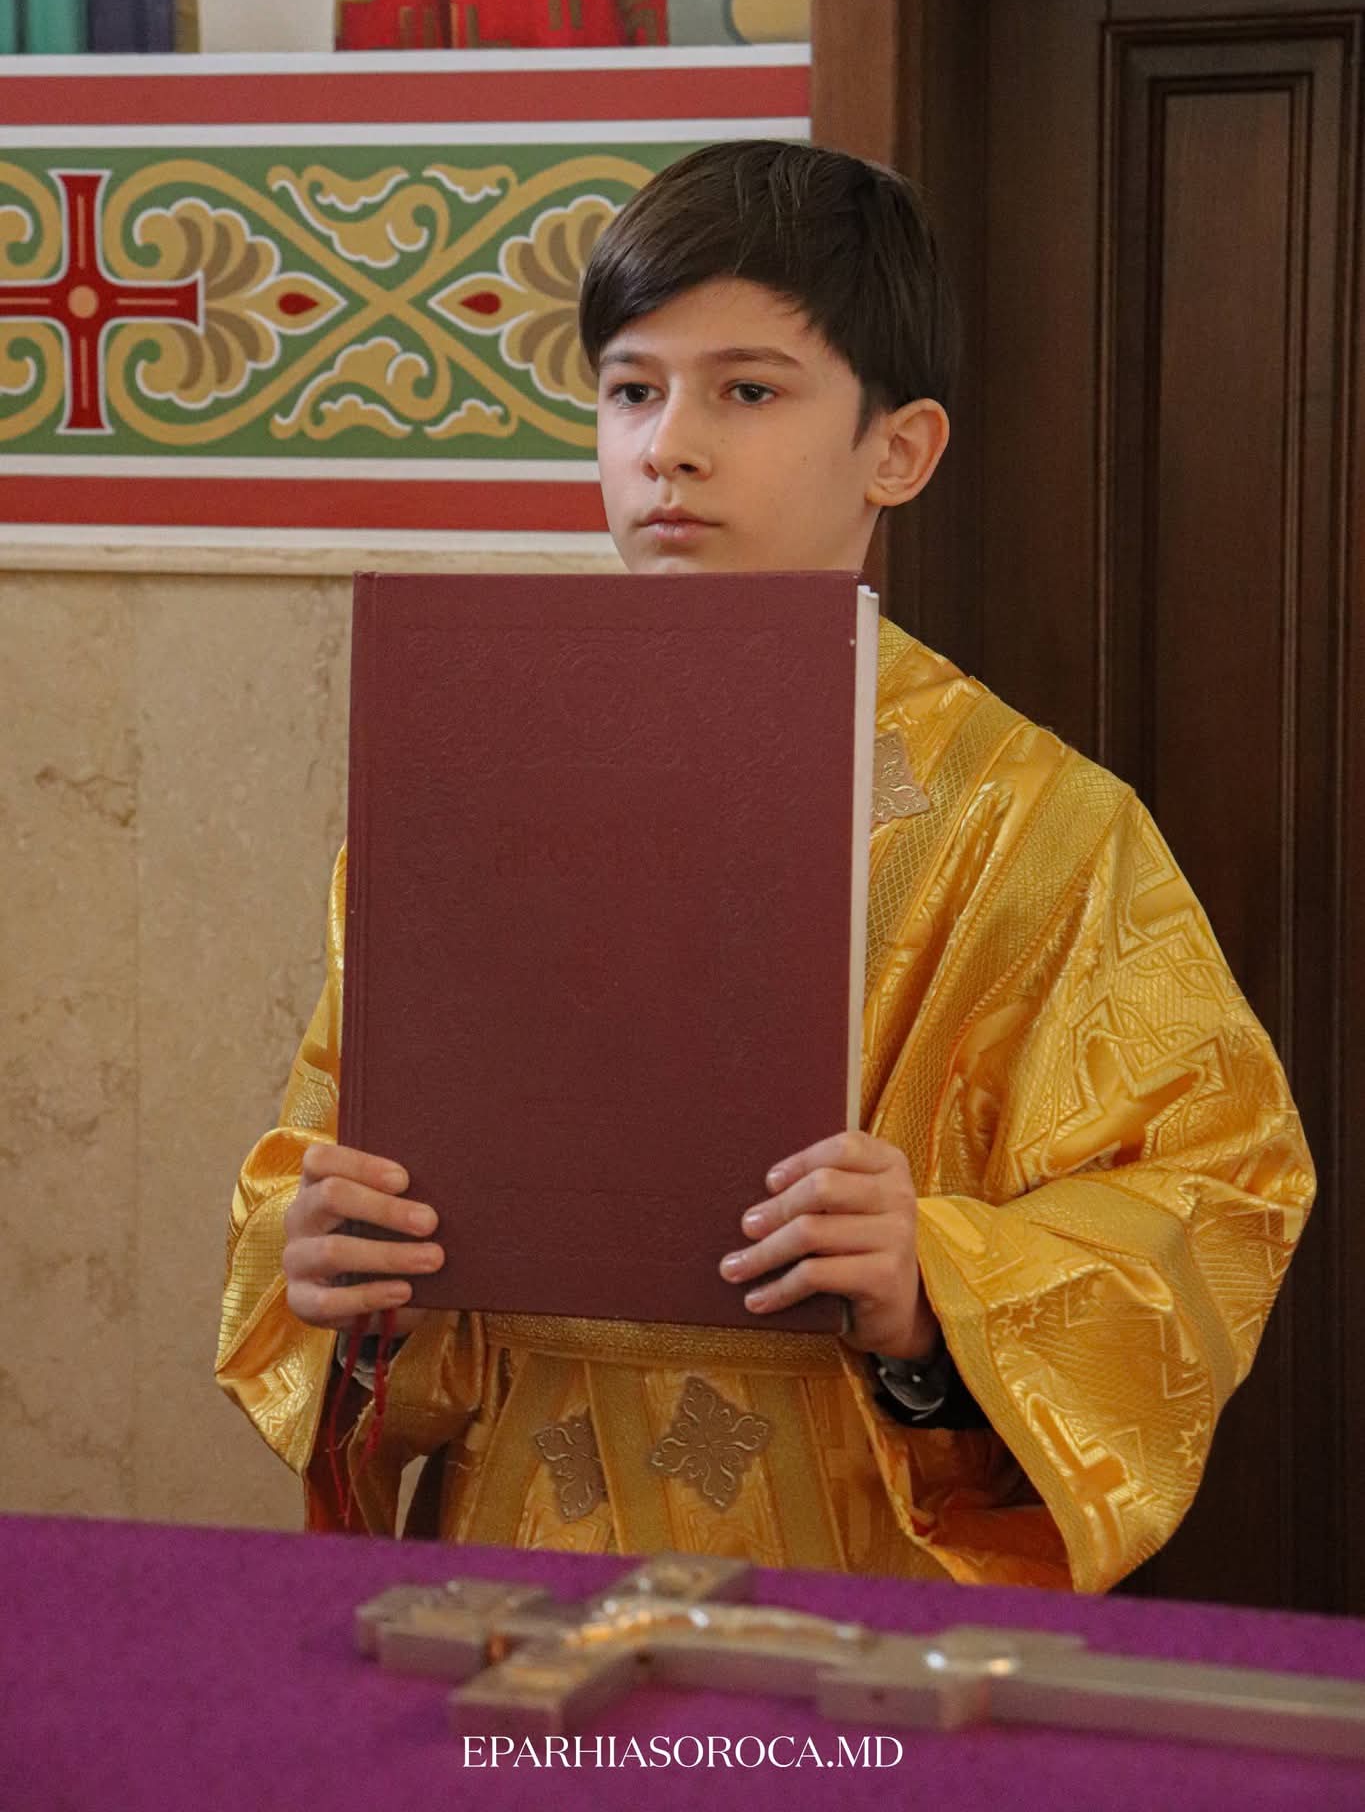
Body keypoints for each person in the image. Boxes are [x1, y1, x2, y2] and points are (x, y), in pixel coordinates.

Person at [216, 141, 1314, 1590]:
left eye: (746, 391)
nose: (668, 446)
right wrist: (336, 1278)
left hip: (860, 1574)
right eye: (630, 390)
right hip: (518, 1551)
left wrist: (936, 1281)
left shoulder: (1035, 825)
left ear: (898, 450)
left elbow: (1217, 1190)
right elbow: (329, 1165)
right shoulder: (468, 795)